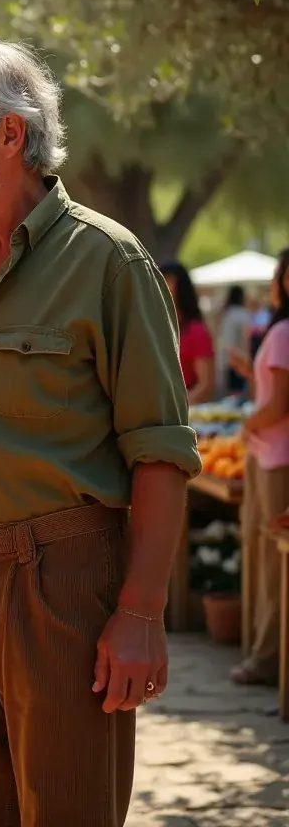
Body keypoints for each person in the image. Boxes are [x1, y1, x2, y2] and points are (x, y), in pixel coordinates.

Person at [0, 36, 200, 827]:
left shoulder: (109, 262)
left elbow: (160, 452)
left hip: (65, 586)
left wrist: (141, 614)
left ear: (10, 135)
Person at [228, 249, 289, 686]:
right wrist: (251, 373)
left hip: (275, 458)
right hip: (268, 454)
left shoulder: (283, 331)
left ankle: (267, 659)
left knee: (271, 565)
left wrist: (245, 423)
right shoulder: (280, 330)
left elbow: (279, 405)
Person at [159, 261, 215, 404]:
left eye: (167, 282)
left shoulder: (195, 331)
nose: (160, 288)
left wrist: (176, 414)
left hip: (182, 416)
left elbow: (205, 385)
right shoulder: (153, 327)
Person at [218, 285, 252, 396]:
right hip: (239, 358)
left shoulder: (226, 314)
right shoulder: (242, 314)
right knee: (238, 393)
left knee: (231, 393)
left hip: (226, 358)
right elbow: (246, 338)